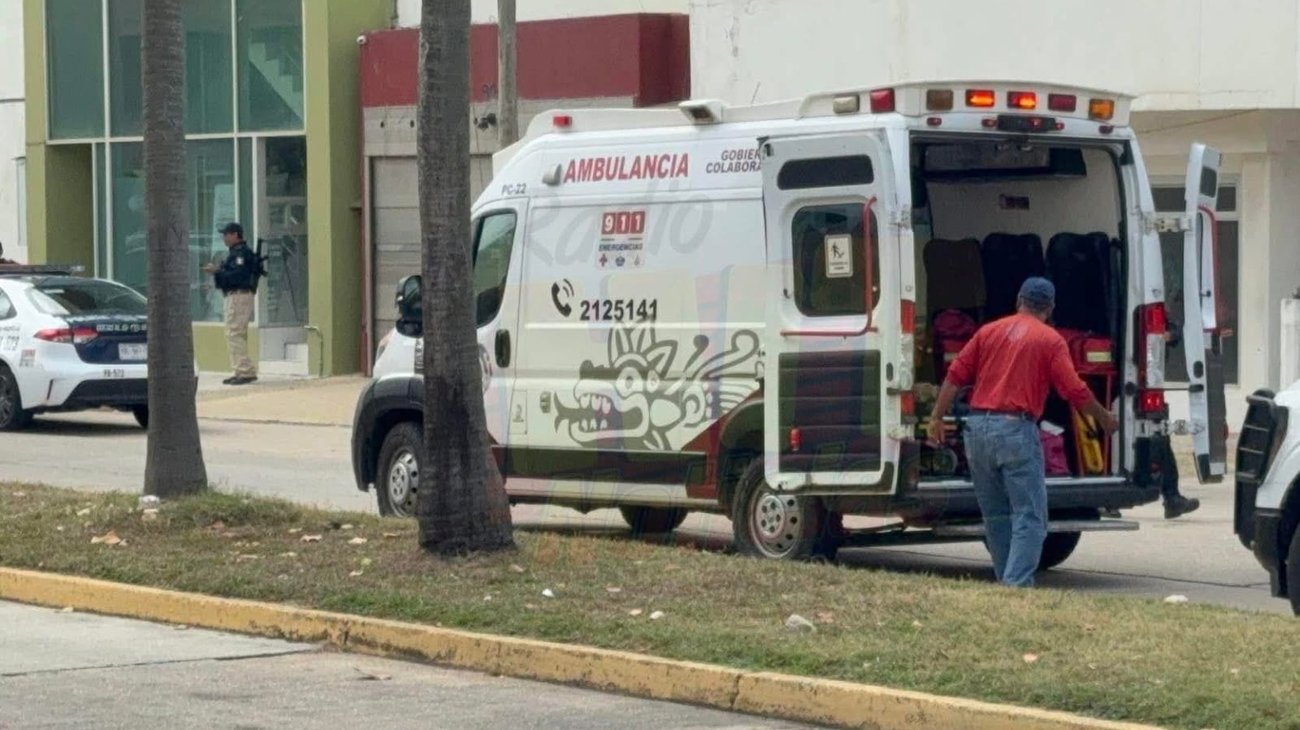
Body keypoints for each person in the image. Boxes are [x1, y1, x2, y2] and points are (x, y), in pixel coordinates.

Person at [927, 278, 1119, 588]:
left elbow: (955, 375)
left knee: (996, 515)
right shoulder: (1050, 340)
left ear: (1019, 299)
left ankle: (1008, 582)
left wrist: (936, 417)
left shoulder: (988, 331)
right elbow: (1073, 389)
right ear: (1050, 308)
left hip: (976, 429)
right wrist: (1104, 418)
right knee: (1029, 516)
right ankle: (1015, 586)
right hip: (1015, 429)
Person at [204, 223, 259, 386]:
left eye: (226, 234)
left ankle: (245, 371)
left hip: (238, 295)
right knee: (235, 332)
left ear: (235, 235)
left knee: (234, 332)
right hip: (234, 295)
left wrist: (217, 271)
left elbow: (237, 276)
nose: (224, 238)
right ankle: (240, 370)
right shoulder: (235, 253)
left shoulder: (241, 253)